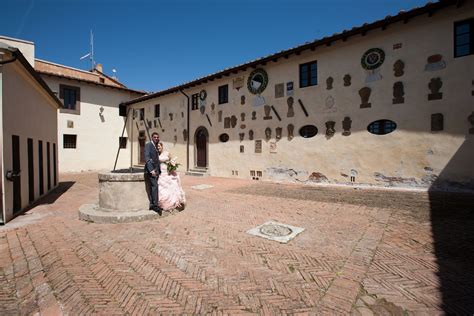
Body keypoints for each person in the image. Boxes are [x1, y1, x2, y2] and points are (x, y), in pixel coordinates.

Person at [157, 142, 186, 211]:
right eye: (157, 146)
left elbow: (171, 160)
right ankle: (163, 202)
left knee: (171, 186)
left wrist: (172, 166)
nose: (158, 147)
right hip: (161, 172)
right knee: (161, 188)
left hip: (167, 172)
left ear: (162, 146)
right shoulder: (156, 154)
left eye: (159, 146)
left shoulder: (167, 153)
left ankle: (174, 202)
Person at [144, 132, 162, 215]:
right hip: (152, 171)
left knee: (153, 187)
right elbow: (147, 157)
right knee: (155, 186)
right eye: (155, 137)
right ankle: (155, 205)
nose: (156, 138)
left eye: (157, 137)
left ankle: (152, 204)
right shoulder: (148, 145)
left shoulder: (155, 146)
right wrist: (151, 170)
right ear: (152, 138)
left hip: (156, 170)